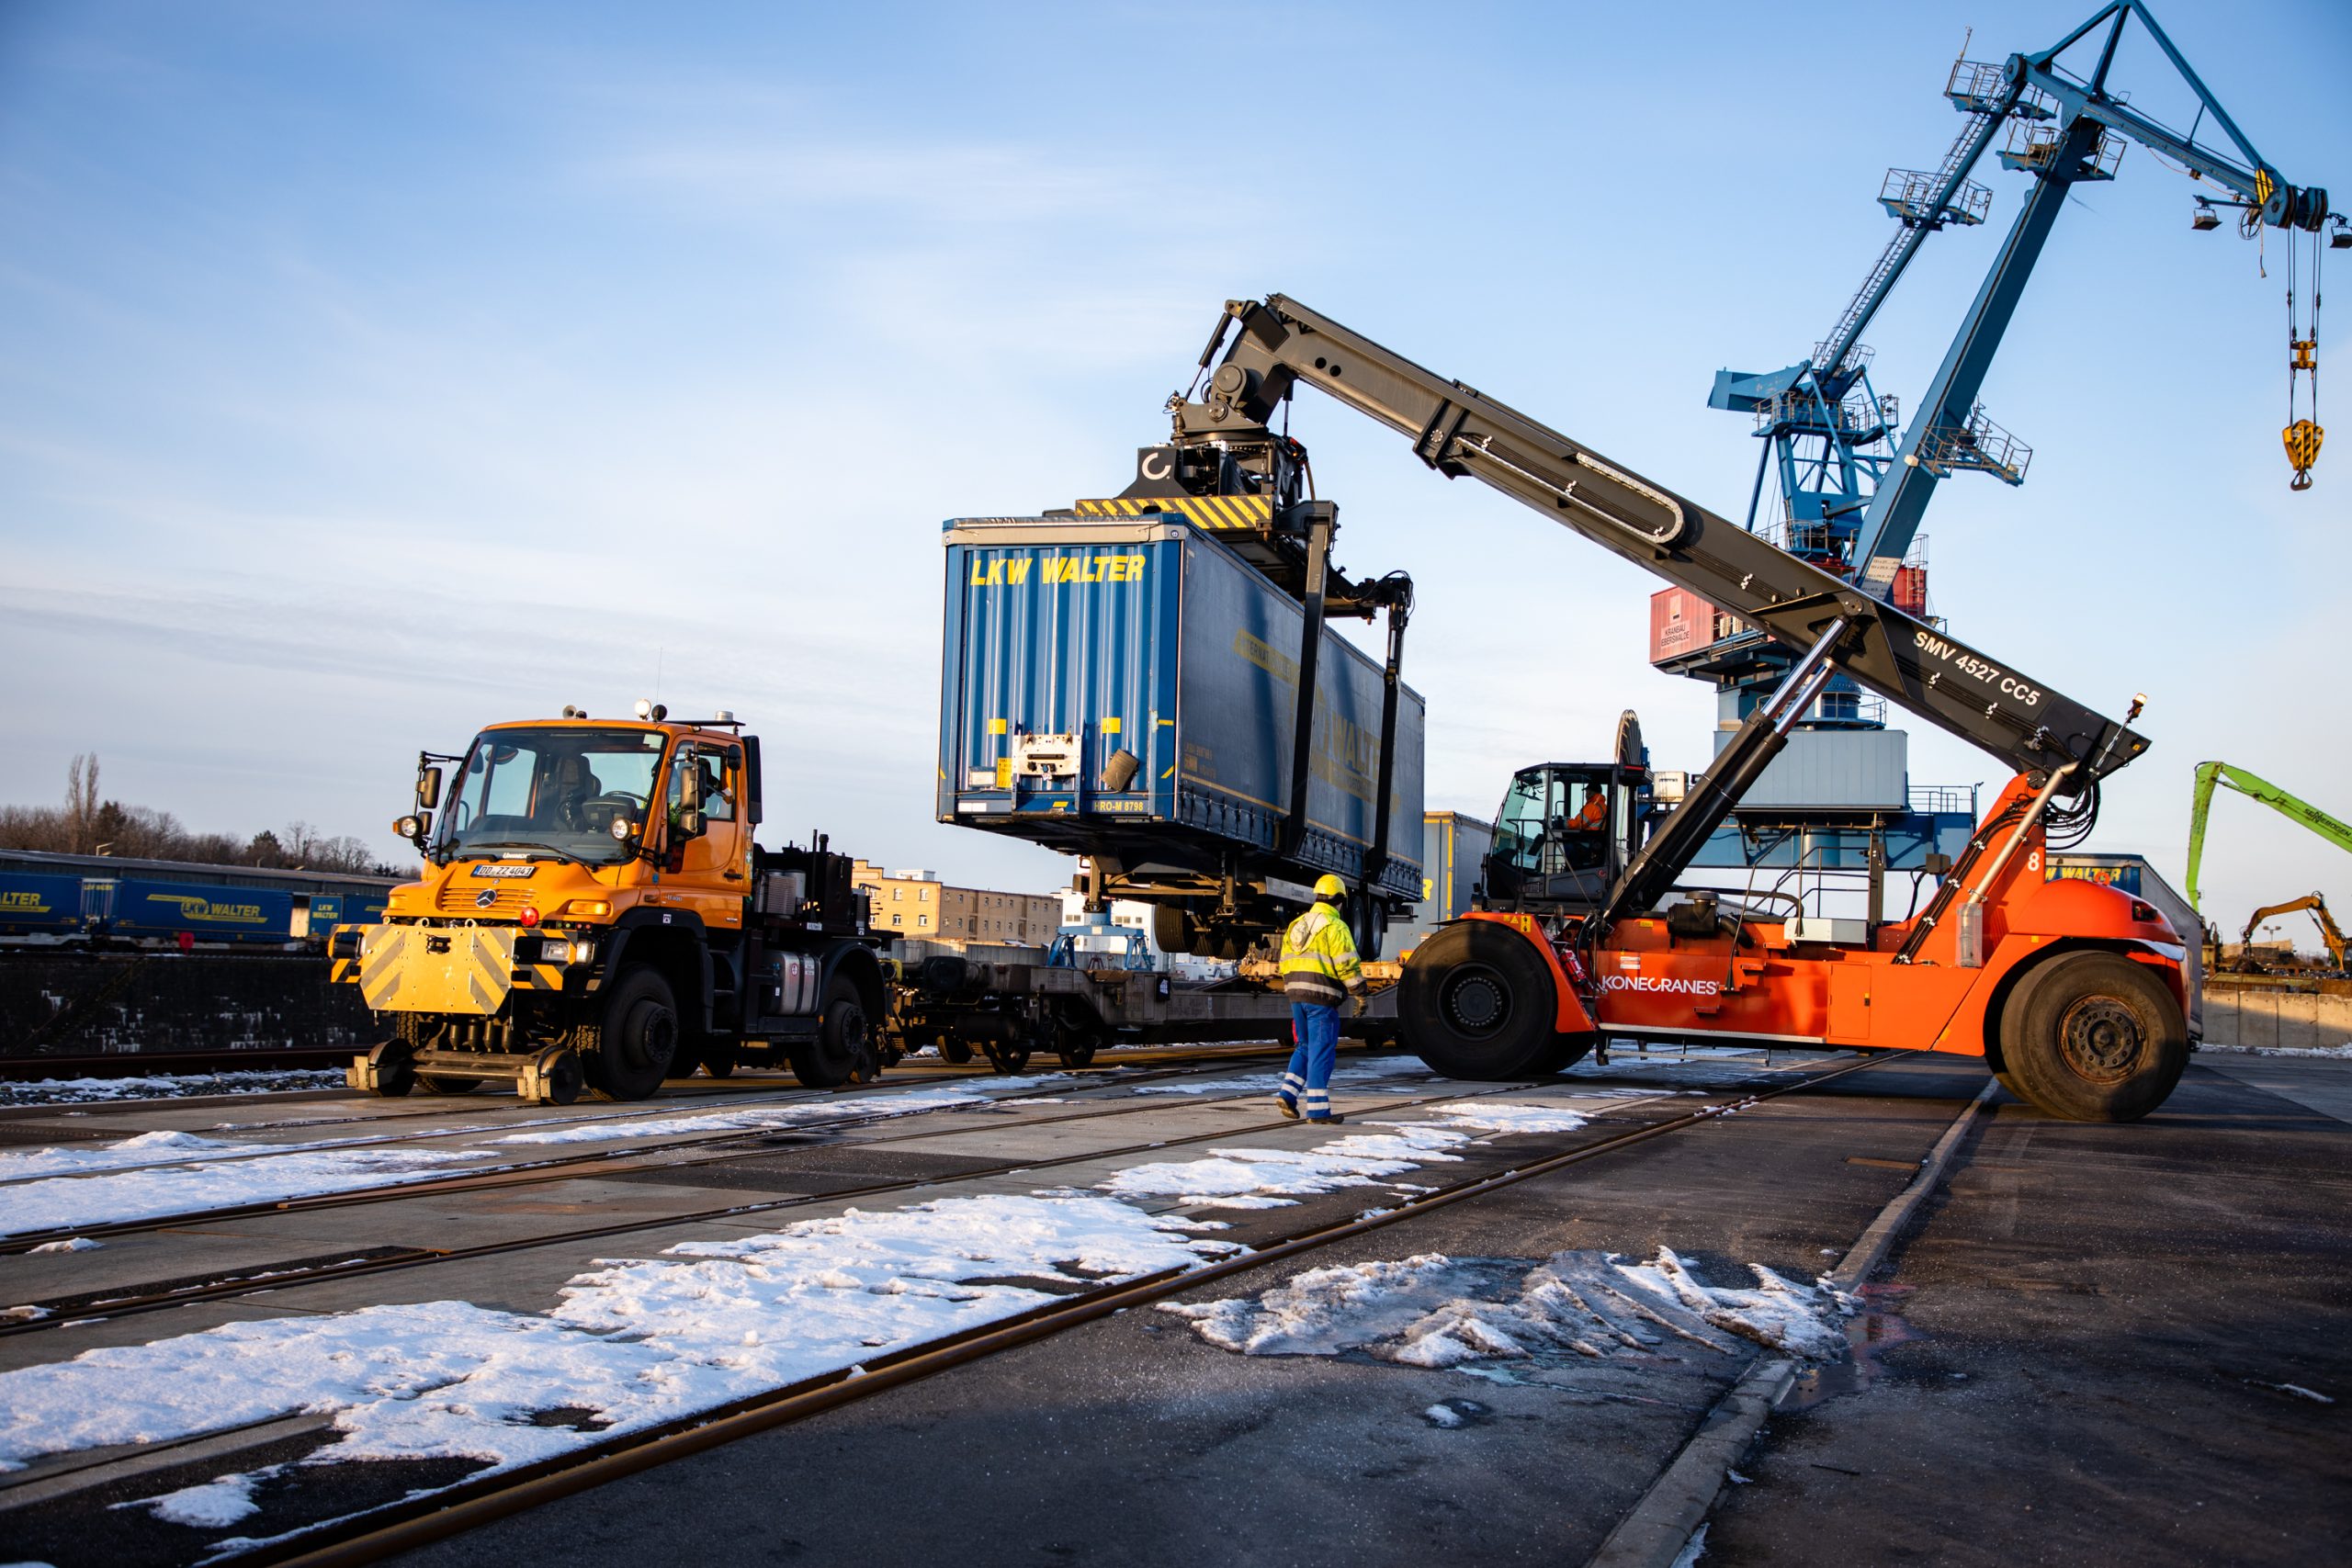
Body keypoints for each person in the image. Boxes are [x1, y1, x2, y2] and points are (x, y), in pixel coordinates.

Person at [1275, 873, 1365, 1123]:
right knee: (1321, 1051)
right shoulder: (1335, 927)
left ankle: (1288, 1094)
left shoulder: (1296, 925)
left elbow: (1283, 962)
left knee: (1304, 1047)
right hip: (1321, 998)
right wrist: (1360, 992)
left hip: (1296, 996)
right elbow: (1345, 963)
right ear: (1339, 901)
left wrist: (1293, 989)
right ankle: (1317, 1111)